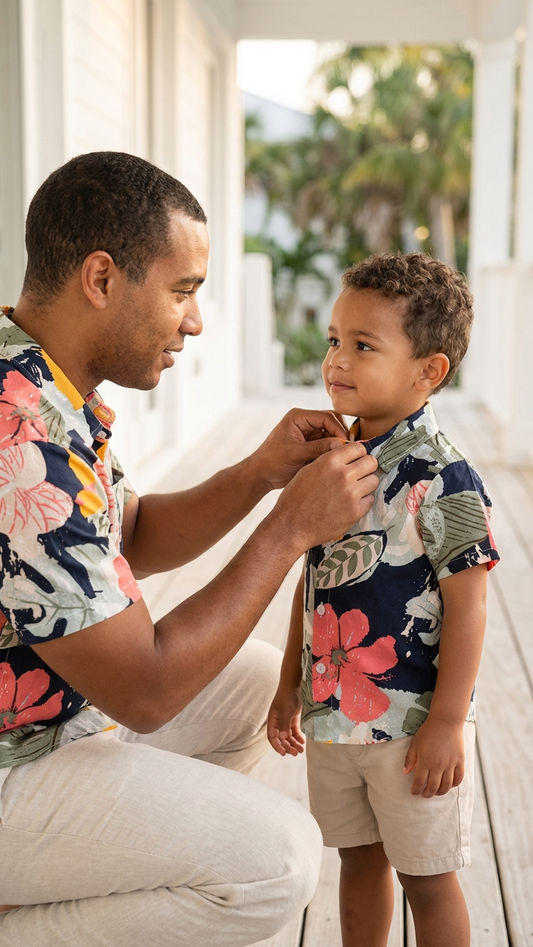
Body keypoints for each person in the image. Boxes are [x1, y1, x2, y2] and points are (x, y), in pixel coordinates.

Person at [0, 151, 381, 947]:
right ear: (101, 279)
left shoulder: (42, 380)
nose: (196, 320)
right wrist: (289, 530)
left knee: (247, 689)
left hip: (43, 714)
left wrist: (259, 474)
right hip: (15, 758)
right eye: (182, 291)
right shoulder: (22, 437)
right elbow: (144, 689)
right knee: (275, 861)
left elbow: (126, 533)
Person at [267, 253, 500, 947]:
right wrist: (288, 683)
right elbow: (313, 576)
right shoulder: (331, 461)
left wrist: (447, 722)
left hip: (409, 726)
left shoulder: (443, 473)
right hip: (334, 717)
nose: (336, 358)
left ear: (427, 371)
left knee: (425, 877)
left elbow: (469, 605)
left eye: (362, 345)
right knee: (356, 860)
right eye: (335, 338)